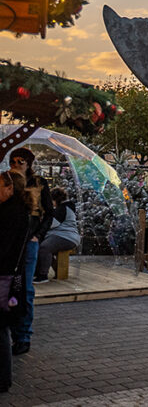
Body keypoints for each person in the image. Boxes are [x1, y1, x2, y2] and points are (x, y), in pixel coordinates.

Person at [7, 148, 52, 356]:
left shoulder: (39, 183)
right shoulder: (6, 181)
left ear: (30, 162)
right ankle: (10, 331)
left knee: (25, 288)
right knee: (8, 285)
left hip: (29, 241)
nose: (17, 163)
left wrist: (39, 236)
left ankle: (23, 336)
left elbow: (49, 213)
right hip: (9, 240)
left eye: (22, 160)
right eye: (14, 160)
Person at [0, 171, 29, 393]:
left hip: (4, 276)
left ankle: (3, 379)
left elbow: (4, 249)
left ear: (10, 188)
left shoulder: (13, 214)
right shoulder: (10, 210)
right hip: (6, 274)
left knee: (0, 328)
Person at [34, 187, 80, 283]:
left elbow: (51, 224)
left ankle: (42, 275)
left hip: (66, 236)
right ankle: (42, 272)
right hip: (63, 235)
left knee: (45, 247)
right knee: (40, 246)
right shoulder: (63, 207)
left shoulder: (63, 209)